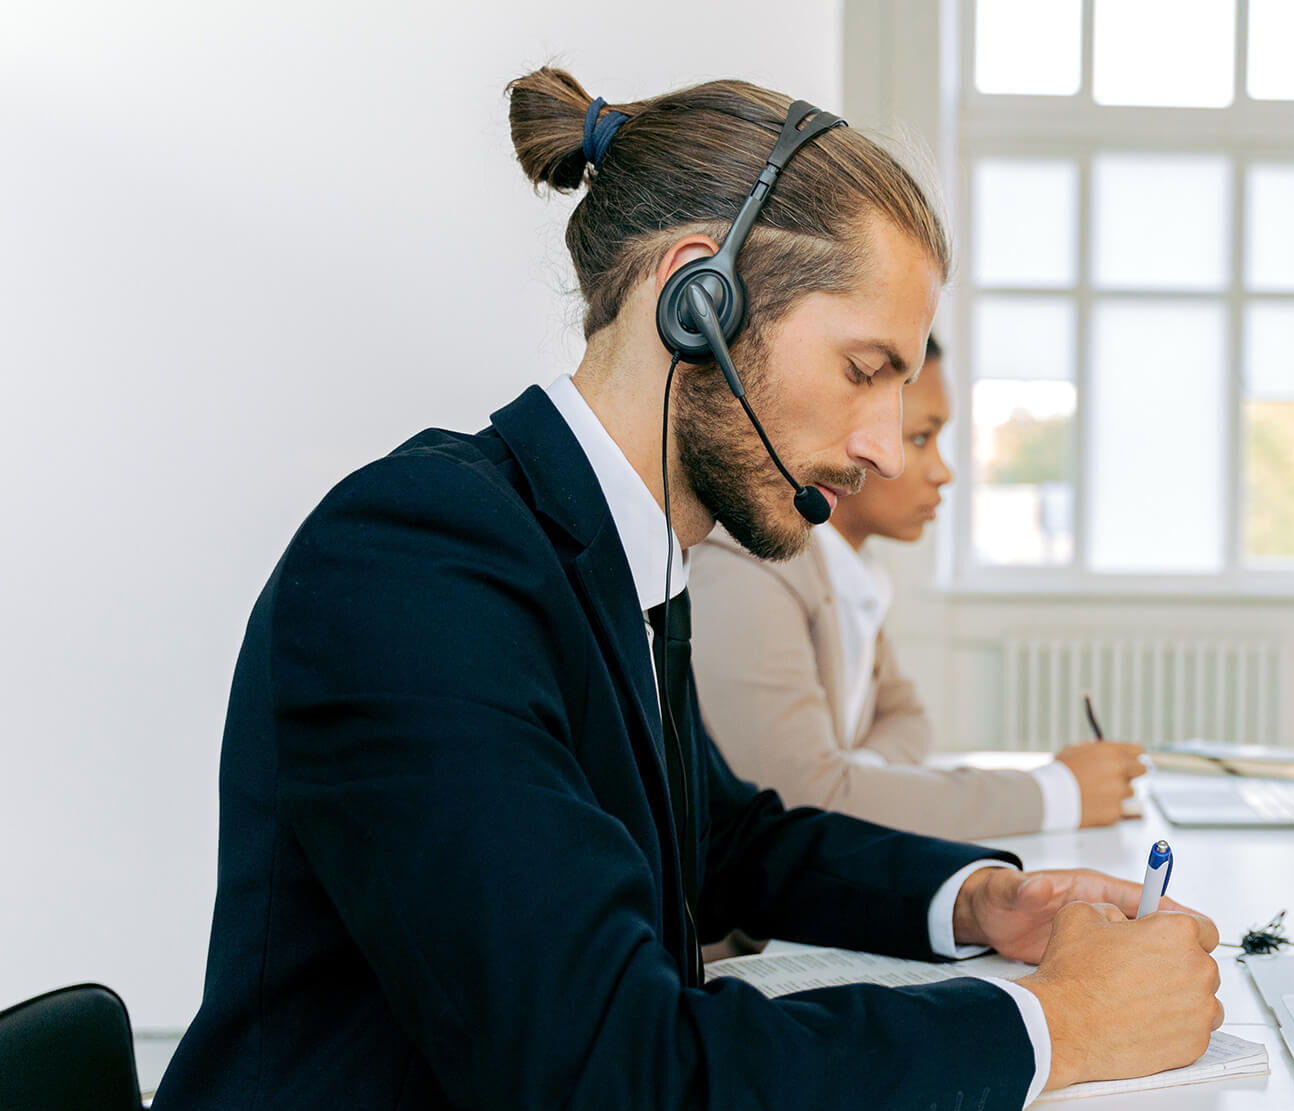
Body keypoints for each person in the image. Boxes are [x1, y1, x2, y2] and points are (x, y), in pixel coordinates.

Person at [150, 70, 1221, 1110]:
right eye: (863, 371)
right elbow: (608, 1070)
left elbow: (722, 842)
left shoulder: (620, 558)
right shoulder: (417, 561)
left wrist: (982, 899)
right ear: (696, 298)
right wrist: (1058, 1022)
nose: (887, 450)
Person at [689, 339, 1145, 839]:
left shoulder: (850, 574)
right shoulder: (747, 568)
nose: (943, 472)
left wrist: (856, 779)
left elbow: (906, 718)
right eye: (922, 438)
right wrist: (1057, 794)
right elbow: (807, 802)